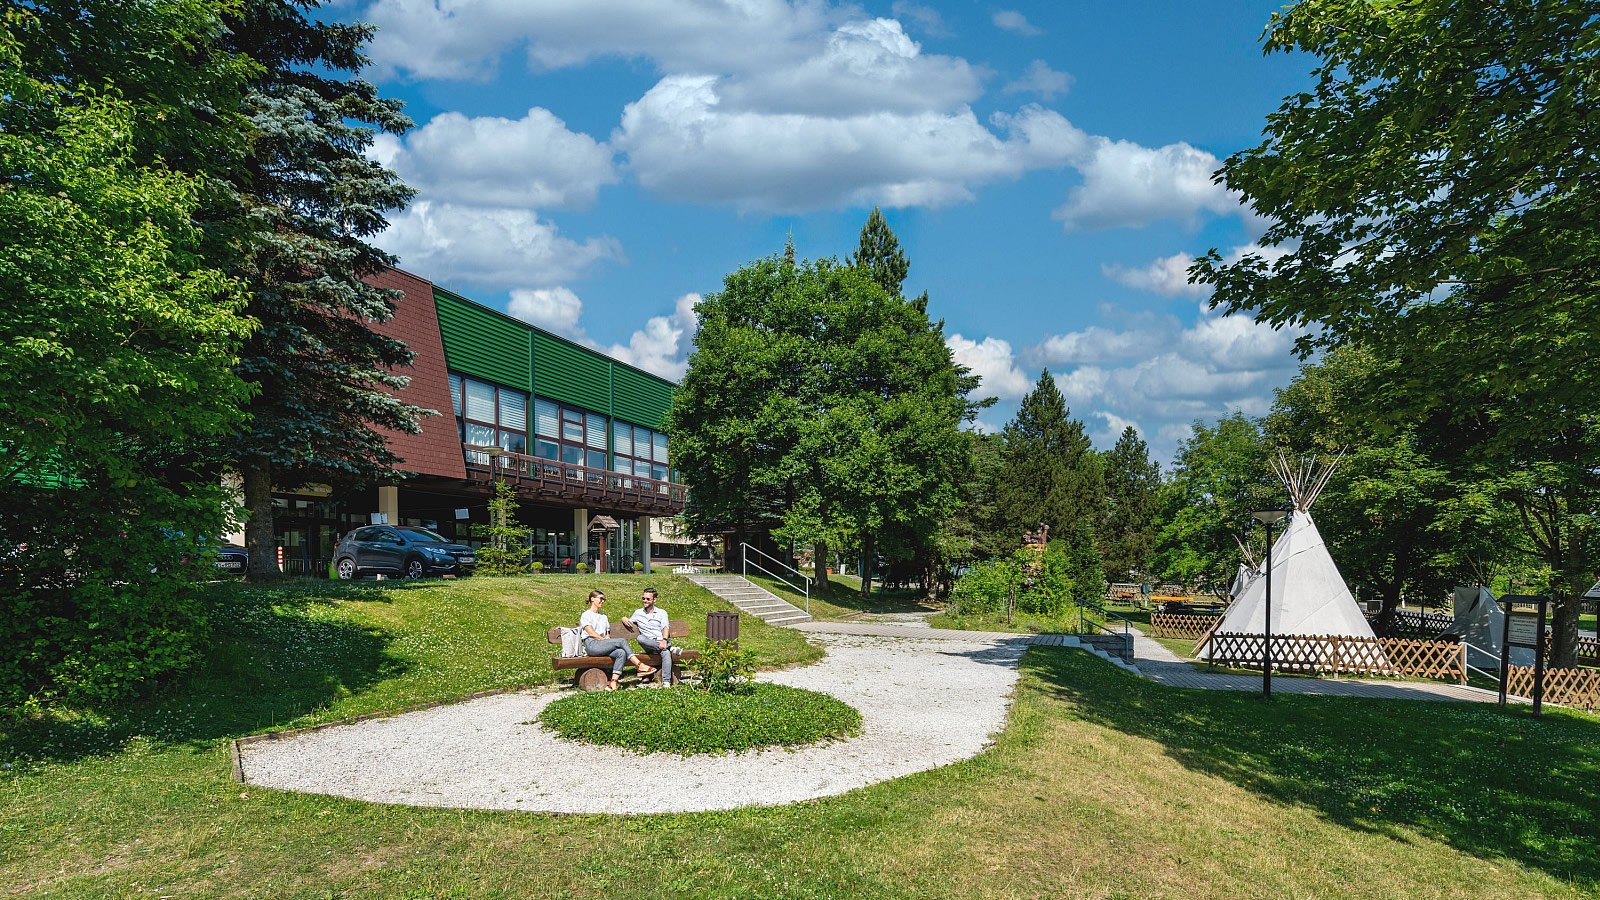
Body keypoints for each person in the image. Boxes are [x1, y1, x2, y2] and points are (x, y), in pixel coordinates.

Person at [579, 589, 654, 690]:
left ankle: (613, 682)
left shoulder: (604, 617)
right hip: (592, 645)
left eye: (604, 599)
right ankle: (639, 665)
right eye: (601, 599)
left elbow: (607, 635)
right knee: (621, 641)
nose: (603, 601)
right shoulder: (586, 615)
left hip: (602, 645)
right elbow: (591, 633)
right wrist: (605, 641)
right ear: (592, 599)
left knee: (621, 653)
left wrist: (607, 639)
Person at [623, 587, 677, 686]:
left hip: (661, 642)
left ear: (654, 600)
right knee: (640, 638)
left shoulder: (662, 613)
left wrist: (664, 640)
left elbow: (665, 627)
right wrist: (623, 618)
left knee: (666, 653)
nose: (645, 601)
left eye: (648, 599)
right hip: (648, 644)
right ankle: (670, 647)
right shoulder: (638, 613)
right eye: (643, 598)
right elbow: (629, 621)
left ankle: (666, 682)